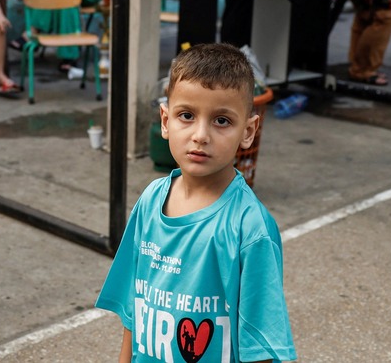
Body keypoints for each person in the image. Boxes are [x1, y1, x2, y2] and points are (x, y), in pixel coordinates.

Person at [96, 43, 296, 363]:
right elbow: (134, 312)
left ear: (248, 131)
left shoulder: (250, 227)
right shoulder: (150, 201)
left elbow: (262, 347)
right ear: (165, 120)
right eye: (186, 115)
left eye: (221, 121)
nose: (200, 135)